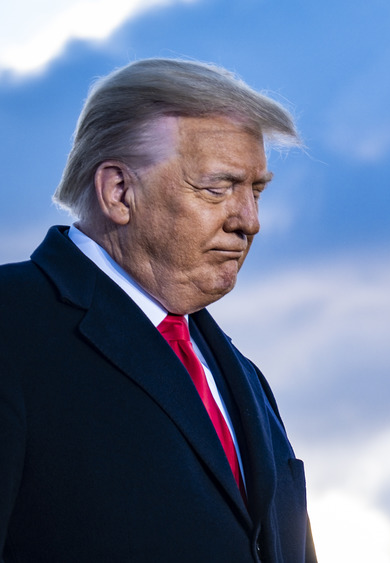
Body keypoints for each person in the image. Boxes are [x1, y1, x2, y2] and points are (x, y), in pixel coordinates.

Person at [0, 58, 317, 562]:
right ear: (118, 192)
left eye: (256, 190)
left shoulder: (246, 378)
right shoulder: (11, 324)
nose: (249, 221)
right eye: (218, 187)